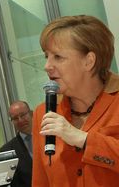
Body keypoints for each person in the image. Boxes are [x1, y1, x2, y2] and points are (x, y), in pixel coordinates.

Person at [32, 15, 119, 186]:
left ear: (89, 61)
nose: (47, 66)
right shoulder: (43, 113)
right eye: (46, 56)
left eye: (58, 57)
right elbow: (40, 181)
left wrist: (84, 140)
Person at [0, 100, 33, 187]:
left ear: (31, 114)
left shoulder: (50, 136)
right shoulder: (7, 150)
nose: (20, 120)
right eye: (15, 118)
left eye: (22, 115)